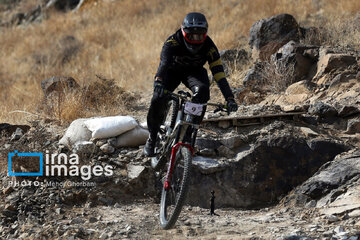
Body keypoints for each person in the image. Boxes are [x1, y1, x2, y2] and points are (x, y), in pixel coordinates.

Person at [144, 12, 238, 157]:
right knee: (157, 98)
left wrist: (230, 98)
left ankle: (188, 135)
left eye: (200, 35)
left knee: (203, 92)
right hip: (172, 71)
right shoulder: (172, 42)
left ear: (205, 34)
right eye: (192, 35)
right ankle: (152, 137)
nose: (196, 39)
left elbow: (219, 75)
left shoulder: (210, 47)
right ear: (184, 32)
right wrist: (158, 81)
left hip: (194, 73)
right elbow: (164, 64)